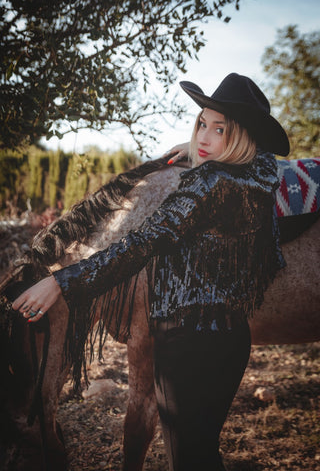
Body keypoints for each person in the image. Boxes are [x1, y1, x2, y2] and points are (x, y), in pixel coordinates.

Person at [13, 73, 289, 470]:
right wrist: (198, 150)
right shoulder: (259, 178)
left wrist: (61, 281)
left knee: (186, 459)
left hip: (187, 341)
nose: (205, 137)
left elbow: (141, 244)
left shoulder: (207, 185)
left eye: (220, 129)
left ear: (243, 136)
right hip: (231, 341)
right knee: (202, 452)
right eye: (202, 125)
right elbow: (251, 162)